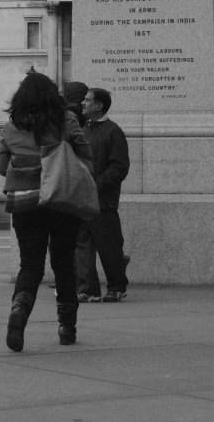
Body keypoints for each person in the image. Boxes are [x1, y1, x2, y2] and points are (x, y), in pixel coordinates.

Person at [0, 71, 93, 352]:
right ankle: (67, 328)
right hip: (62, 199)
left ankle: (19, 310)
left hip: (25, 201)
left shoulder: (11, 126)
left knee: (30, 265)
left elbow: (3, 168)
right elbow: (86, 155)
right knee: (64, 262)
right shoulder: (66, 120)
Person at [77, 87, 130, 302]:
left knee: (109, 247)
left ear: (99, 105)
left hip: (103, 200)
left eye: (87, 100)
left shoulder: (113, 131)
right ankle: (88, 289)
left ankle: (117, 287)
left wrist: (97, 185)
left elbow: (119, 167)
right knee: (83, 247)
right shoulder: (83, 129)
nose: (83, 103)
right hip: (82, 199)